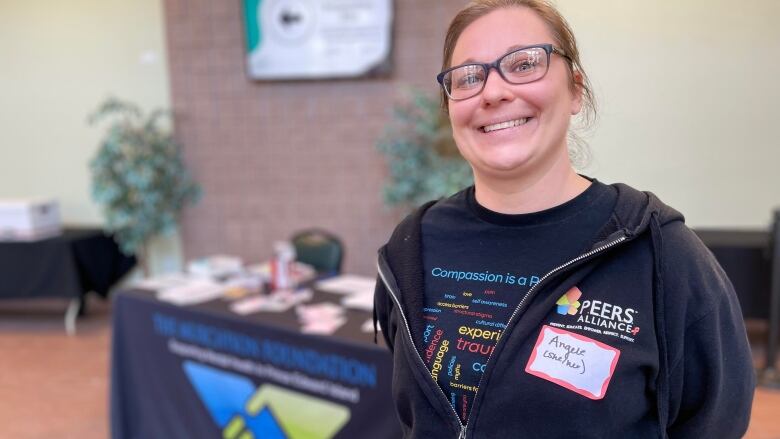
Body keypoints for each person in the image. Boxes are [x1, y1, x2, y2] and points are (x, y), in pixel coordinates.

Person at [373, 1, 755, 437]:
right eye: (470, 77)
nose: (493, 91)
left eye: (524, 64)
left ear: (575, 89)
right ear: (450, 106)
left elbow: (715, 422)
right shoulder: (413, 244)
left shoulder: (660, 253)